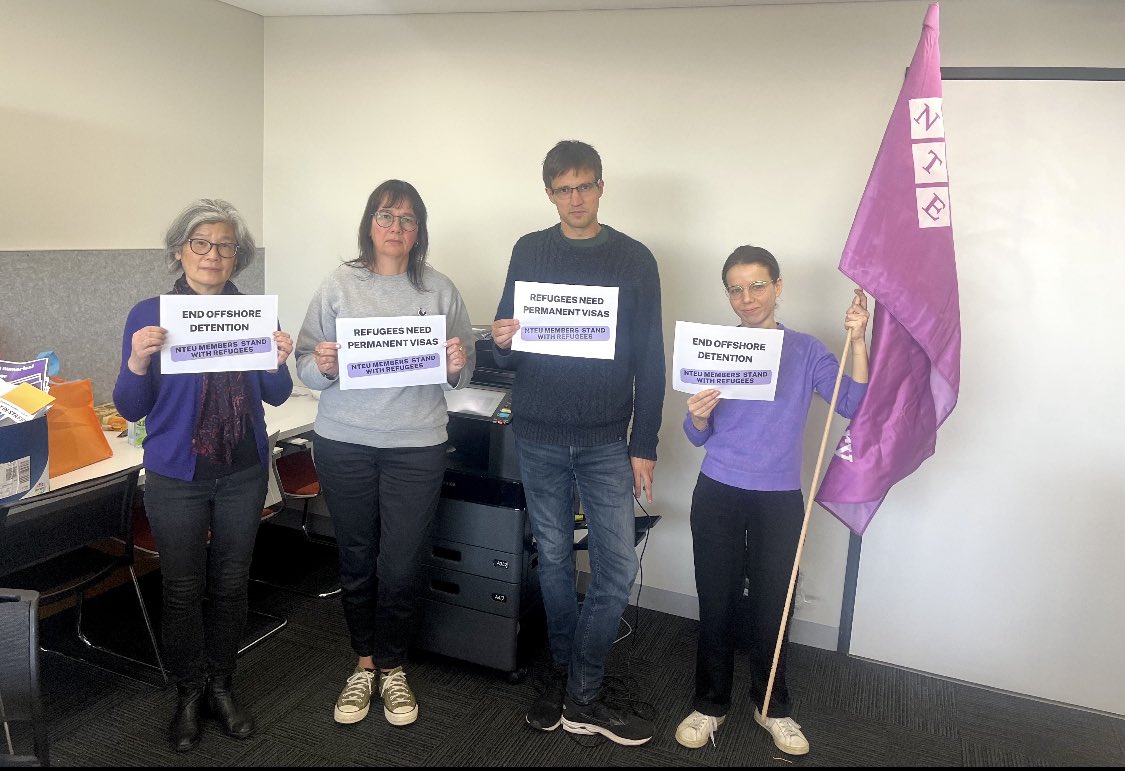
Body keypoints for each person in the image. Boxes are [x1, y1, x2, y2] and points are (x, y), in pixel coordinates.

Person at [490, 140, 665, 746]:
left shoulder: (635, 259)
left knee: (615, 565)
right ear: (549, 193)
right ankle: (569, 679)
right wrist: (502, 337)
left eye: (584, 185)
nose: (575, 198)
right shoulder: (528, 249)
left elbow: (651, 357)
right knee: (557, 561)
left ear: (600, 186)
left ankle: (581, 686)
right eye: (564, 189)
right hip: (537, 431)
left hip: (605, 439)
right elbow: (507, 342)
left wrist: (644, 441)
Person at [113, 199, 294, 753]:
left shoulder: (256, 314)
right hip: (177, 472)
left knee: (232, 584)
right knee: (183, 588)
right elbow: (130, 407)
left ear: (236, 257)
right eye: (202, 244)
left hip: (241, 469)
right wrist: (138, 362)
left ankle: (222, 685)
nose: (213, 255)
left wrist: (275, 360)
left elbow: (277, 395)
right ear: (179, 250)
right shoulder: (151, 312)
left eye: (225, 246)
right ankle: (188, 692)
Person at [673, 245, 869, 755]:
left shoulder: (806, 351)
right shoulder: (714, 349)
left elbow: (854, 403)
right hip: (717, 490)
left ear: (778, 287)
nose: (747, 298)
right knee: (716, 602)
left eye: (757, 285)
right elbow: (696, 434)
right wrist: (696, 417)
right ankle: (709, 704)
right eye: (735, 288)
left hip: (778, 498)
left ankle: (772, 707)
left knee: (772, 607)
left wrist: (860, 340)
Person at [294, 179, 474, 728]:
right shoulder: (337, 286)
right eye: (386, 216)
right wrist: (321, 366)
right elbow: (304, 365)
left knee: (401, 564)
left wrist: (454, 363)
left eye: (408, 219)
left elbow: (462, 375)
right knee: (356, 557)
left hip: (415, 446)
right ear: (369, 223)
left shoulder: (439, 291)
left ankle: (393, 667)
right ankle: (365, 663)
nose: (396, 229)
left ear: (420, 231)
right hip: (344, 440)